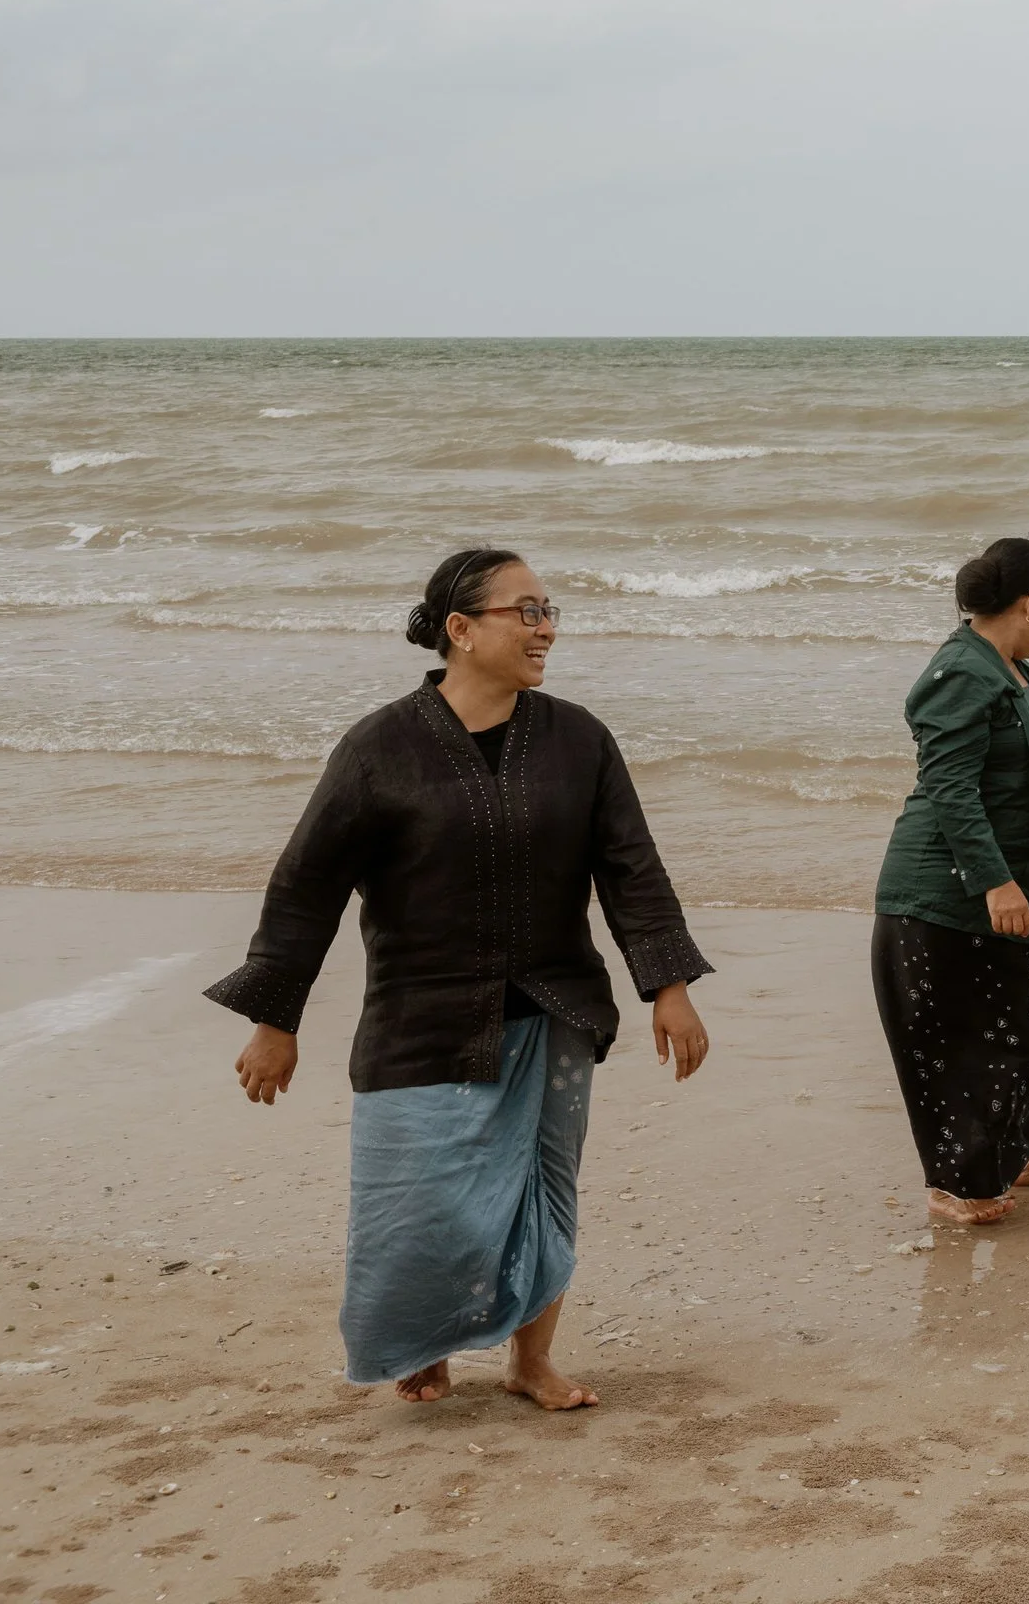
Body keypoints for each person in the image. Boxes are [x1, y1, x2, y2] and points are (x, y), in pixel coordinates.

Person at [207, 546, 712, 1410]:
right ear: (461, 629)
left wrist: (668, 986)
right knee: (417, 1205)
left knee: (544, 1192)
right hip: (421, 1013)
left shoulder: (579, 739)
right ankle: (422, 1343)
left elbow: (632, 869)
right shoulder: (380, 748)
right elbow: (306, 885)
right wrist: (274, 1019)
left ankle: (530, 1362)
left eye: (550, 609)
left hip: (555, 1005)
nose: (545, 626)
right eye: (526, 610)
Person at [872, 536, 1029, 1226]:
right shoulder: (963, 672)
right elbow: (949, 786)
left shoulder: (1013, 671)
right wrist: (994, 881)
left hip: (1022, 888)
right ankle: (953, 1187)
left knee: (1025, 1028)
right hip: (945, 898)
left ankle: (1020, 1156)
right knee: (960, 1044)